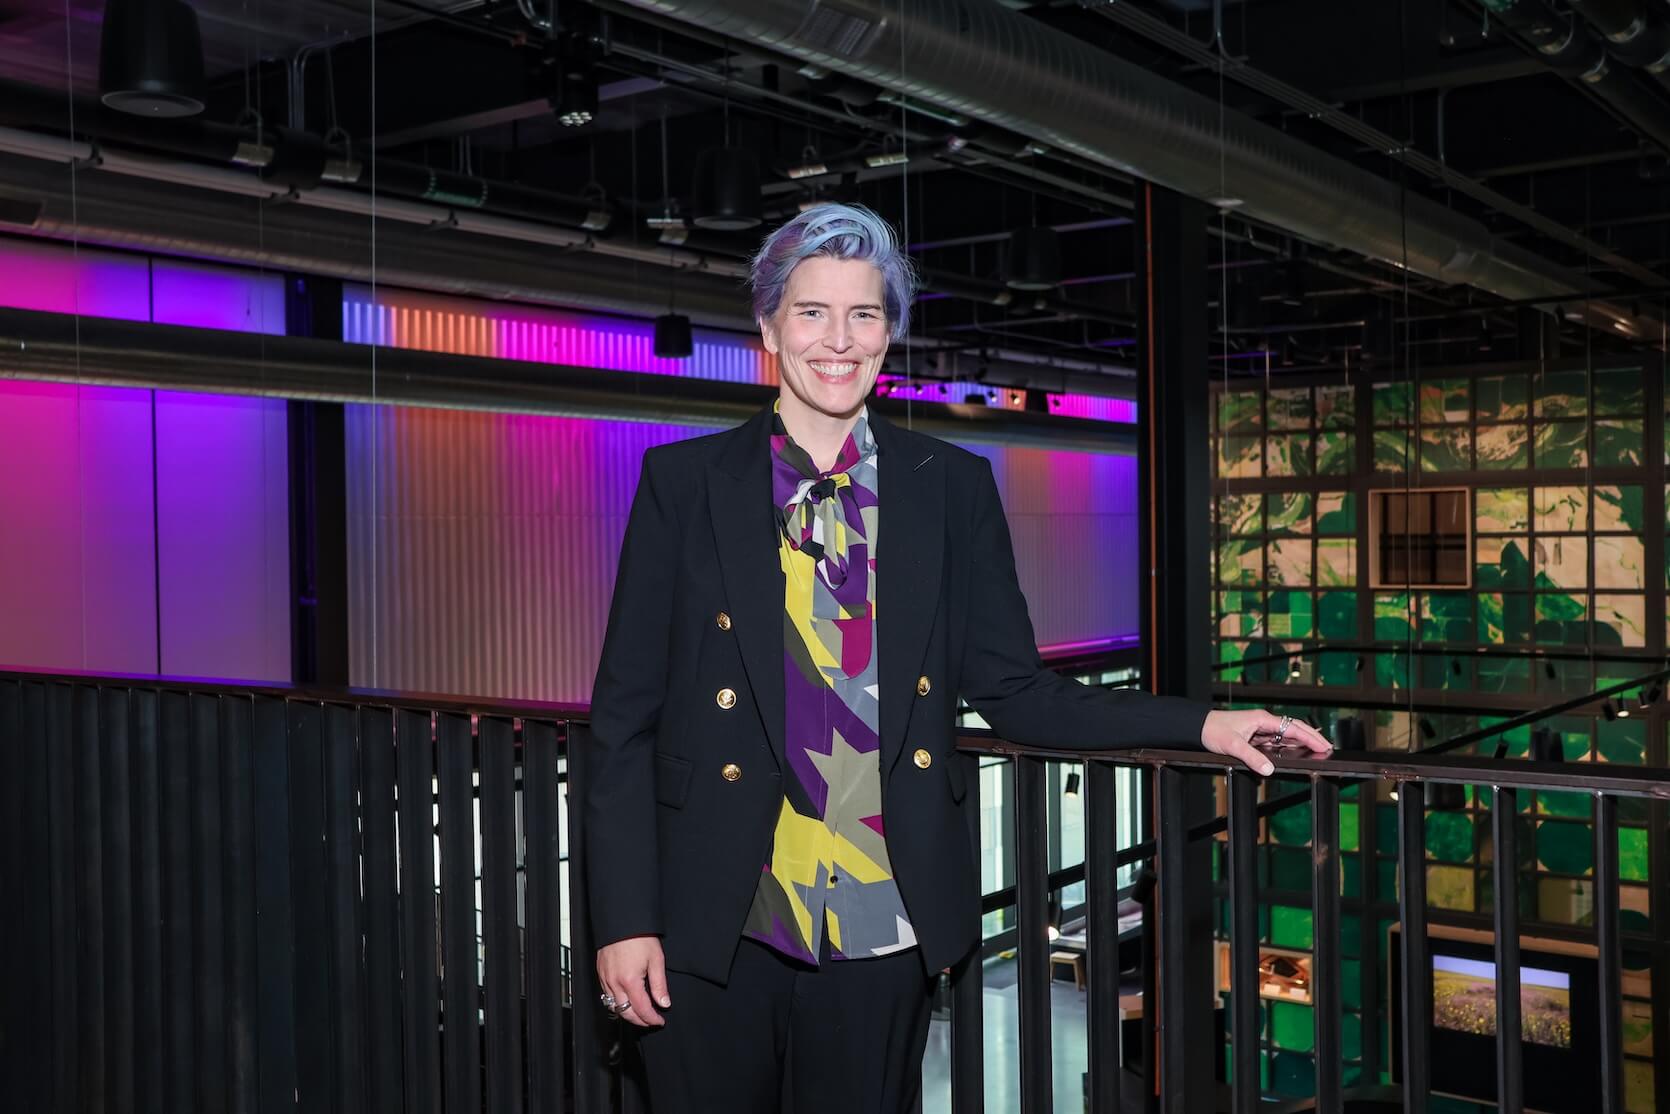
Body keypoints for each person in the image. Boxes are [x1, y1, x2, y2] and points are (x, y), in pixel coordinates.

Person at [585, 202, 1332, 1114]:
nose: (839, 339)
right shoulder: (684, 483)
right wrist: (625, 921)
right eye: (812, 312)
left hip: (882, 923)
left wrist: (1204, 722)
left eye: (864, 315)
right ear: (770, 327)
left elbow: (1018, 693)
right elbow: (625, 721)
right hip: (713, 916)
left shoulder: (951, 488)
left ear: (890, 335)